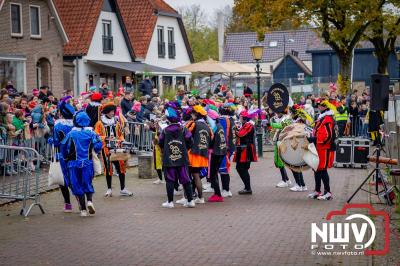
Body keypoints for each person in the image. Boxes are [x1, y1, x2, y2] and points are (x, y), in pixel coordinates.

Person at [62, 111, 103, 217]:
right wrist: (95, 151)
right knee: (87, 183)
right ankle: (89, 201)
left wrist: (65, 158)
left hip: (73, 163)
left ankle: (83, 210)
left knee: (77, 185)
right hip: (87, 163)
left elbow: (64, 147)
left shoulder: (71, 134)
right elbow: (98, 144)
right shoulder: (91, 133)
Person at [158, 103, 195, 208]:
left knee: (170, 180)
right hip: (182, 158)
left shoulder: (165, 131)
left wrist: (165, 149)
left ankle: (170, 202)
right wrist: (184, 149)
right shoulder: (183, 129)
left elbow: (160, 143)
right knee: (186, 179)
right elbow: (190, 141)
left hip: (169, 159)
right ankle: (190, 201)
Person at [94, 102, 133, 197]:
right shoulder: (99, 123)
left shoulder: (116, 121)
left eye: (113, 111)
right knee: (108, 168)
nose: (112, 113)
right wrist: (105, 138)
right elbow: (96, 135)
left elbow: (120, 134)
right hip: (106, 148)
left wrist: (122, 141)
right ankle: (109, 189)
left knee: (121, 168)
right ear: (106, 112)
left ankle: (123, 188)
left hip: (118, 148)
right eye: (111, 111)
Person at [181, 105, 211, 205]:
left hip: (193, 154)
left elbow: (186, 134)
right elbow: (211, 138)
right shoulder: (207, 126)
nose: (191, 115)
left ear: (196, 115)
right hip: (203, 154)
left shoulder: (194, 124)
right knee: (196, 176)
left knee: (187, 176)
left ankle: (187, 198)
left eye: (192, 114)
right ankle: (200, 198)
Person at [50, 100, 75, 212]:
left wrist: (50, 140)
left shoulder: (58, 125)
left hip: (62, 155)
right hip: (75, 155)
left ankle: (68, 204)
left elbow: (56, 141)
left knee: (63, 179)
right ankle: (81, 202)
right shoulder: (76, 123)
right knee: (75, 178)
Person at [307, 100, 335, 200]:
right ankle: (317, 191)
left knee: (323, 170)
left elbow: (328, 136)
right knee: (316, 169)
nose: (318, 107)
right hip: (318, 147)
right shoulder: (322, 118)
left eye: (319, 106)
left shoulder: (327, 119)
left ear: (324, 107)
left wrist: (314, 139)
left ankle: (328, 192)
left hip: (324, 148)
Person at [234, 110, 257, 194]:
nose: (239, 118)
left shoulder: (248, 125)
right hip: (244, 148)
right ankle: (247, 187)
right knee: (242, 169)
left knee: (241, 168)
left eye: (240, 117)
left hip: (246, 149)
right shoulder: (246, 124)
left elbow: (241, 134)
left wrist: (235, 129)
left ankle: (248, 188)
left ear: (244, 118)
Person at [206, 109, 227, 202]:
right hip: (221, 152)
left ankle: (218, 194)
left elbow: (210, 141)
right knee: (214, 174)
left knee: (212, 174)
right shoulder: (219, 126)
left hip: (214, 153)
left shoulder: (214, 128)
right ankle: (217, 193)